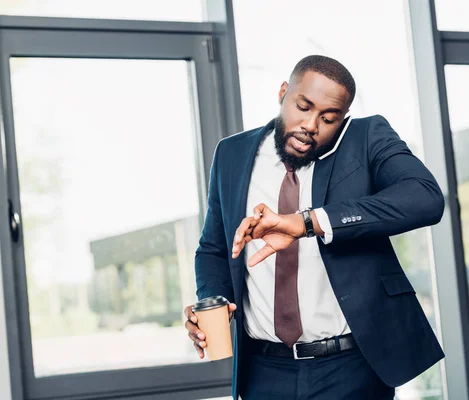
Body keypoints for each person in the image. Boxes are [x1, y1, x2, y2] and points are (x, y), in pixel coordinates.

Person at [185, 55, 445, 399]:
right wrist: (212, 301)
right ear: (283, 92)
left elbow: (425, 198)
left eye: (328, 118)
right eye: (303, 106)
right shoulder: (232, 153)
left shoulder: (366, 139)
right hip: (264, 371)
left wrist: (308, 222)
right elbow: (214, 248)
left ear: (343, 119)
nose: (311, 124)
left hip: (350, 367)